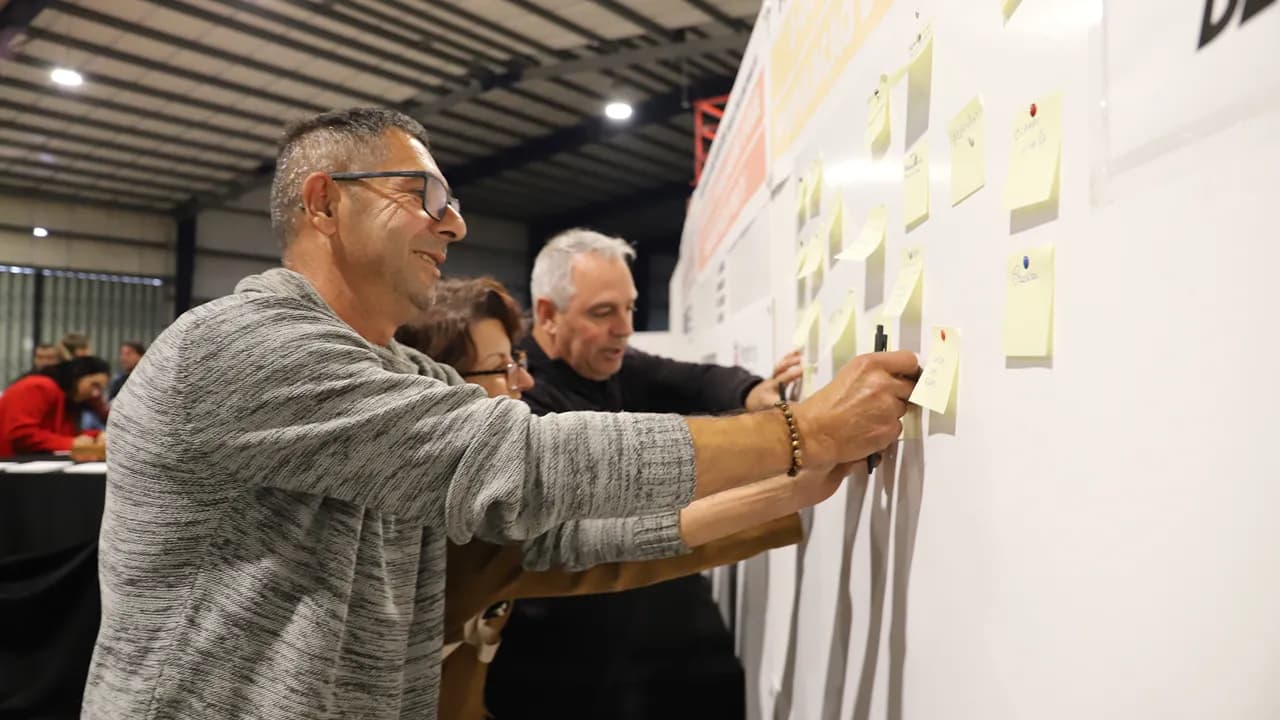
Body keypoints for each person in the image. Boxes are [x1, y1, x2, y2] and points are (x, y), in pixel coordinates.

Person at [82, 107, 919, 720]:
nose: (455, 221)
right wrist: (801, 432)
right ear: (322, 202)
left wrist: (792, 486)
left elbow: (544, 540)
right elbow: (522, 462)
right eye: (422, 193)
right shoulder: (238, 346)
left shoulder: (403, 371)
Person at [396, 276, 837, 719]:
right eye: (500, 367)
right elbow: (597, 543)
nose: (523, 379)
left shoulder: (464, 504)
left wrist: (789, 482)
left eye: (518, 360)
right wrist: (800, 441)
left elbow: (595, 539)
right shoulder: (440, 520)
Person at [489, 229, 802, 719]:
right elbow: (583, 539)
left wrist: (753, 392)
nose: (625, 328)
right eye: (603, 313)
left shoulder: (605, 364)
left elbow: (689, 379)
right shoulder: (523, 403)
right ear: (548, 315)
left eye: (630, 308)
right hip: (560, 665)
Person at [0, 356, 109, 456]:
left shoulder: (66, 398)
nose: (96, 393)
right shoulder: (40, 386)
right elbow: (21, 435)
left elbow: (64, 434)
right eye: (94, 385)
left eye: (100, 389)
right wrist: (71, 443)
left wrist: (96, 435)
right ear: (78, 376)